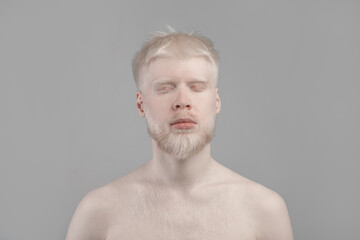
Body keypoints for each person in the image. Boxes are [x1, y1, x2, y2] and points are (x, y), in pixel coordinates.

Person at [65, 28, 294, 240]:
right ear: (140, 104)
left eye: (196, 87)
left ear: (216, 101)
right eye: (165, 88)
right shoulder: (98, 212)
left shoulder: (265, 210)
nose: (182, 102)